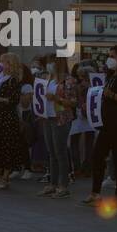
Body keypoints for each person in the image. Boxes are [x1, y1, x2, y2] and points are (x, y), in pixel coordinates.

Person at [82, 45, 117, 210]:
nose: (109, 59)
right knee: (97, 156)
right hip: (106, 123)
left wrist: (111, 95)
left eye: (112, 56)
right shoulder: (112, 75)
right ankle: (95, 193)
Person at [0, 52, 27, 189]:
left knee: (6, 146)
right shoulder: (0, 77)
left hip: (7, 117)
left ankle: (5, 177)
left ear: (10, 64)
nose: (0, 64)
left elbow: (13, 100)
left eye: (3, 61)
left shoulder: (13, 79)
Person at [39, 56, 76, 198]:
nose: (48, 65)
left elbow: (73, 102)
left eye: (51, 62)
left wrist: (56, 99)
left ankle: (63, 185)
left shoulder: (68, 80)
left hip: (60, 118)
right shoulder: (49, 79)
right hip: (48, 117)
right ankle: (52, 184)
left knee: (60, 152)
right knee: (52, 152)